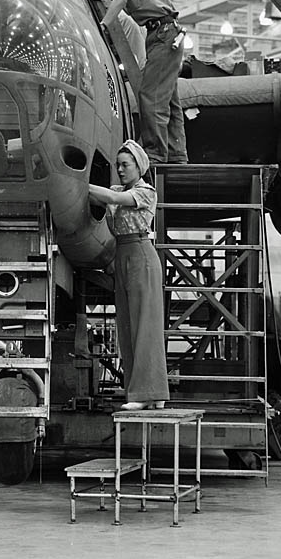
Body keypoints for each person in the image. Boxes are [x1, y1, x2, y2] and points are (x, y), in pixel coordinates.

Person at [84, 0, 188, 166]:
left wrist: (103, 26)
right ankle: (177, 154)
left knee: (150, 96)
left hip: (163, 34)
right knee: (169, 101)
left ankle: (155, 154)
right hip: (159, 35)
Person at [87, 140, 169, 410]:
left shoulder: (146, 192)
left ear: (138, 166)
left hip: (141, 254)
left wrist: (76, 184)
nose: (120, 169)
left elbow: (110, 199)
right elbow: (106, 196)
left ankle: (145, 394)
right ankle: (148, 393)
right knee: (127, 326)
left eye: (125, 165)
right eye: (118, 165)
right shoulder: (117, 189)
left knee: (144, 326)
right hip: (122, 256)